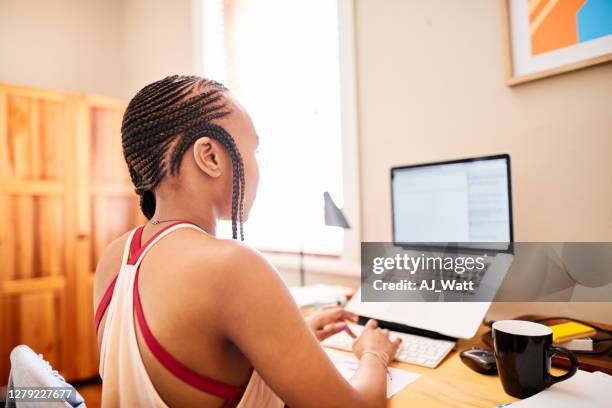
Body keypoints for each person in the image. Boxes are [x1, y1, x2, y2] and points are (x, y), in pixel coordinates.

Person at [93, 75, 401, 407]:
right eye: (252, 148)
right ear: (210, 156)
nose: (257, 166)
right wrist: (374, 352)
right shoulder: (231, 266)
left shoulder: (114, 257)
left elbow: (192, 361)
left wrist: (293, 336)